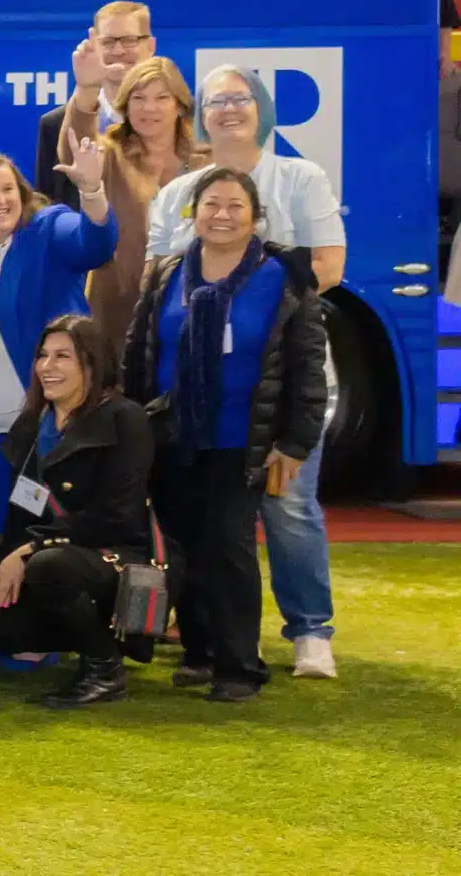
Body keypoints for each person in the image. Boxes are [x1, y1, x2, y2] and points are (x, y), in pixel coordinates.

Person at [145, 64, 346, 680]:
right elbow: (158, 283)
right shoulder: (179, 191)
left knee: (288, 510)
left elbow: (329, 266)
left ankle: (311, 631)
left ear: (261, 108)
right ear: (200, 114)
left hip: (278, 387)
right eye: (216, 101)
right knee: (205, 526)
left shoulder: (300, 177)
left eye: (240, 99)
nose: (229, 109)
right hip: (199, 402)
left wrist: (252, 289)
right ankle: (216, 641)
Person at [125, 166, 328, 702]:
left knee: (230, 546)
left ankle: (240, 667)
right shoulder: (167, 274)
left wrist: (296, 441)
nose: (222, 215)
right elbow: (138, 354)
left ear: (256, 216)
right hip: (173, 438)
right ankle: (198, 652)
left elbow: (308, 367)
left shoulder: (283, 277)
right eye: (211, 204)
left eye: (236, 205)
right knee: (184, 547)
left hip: (244, 441)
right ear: (194, 214)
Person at [0, 146, 115, 581]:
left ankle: (37, 634)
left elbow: (95, 244)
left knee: (41, 529)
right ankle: (16, 617)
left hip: (42, 423)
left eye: (7, 189)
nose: (0, 199)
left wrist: (91, 190)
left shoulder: (44, 230)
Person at [0, 316, 156, 708]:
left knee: (50, 568)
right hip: (53, 553)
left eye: (62, 356)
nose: (46, 367)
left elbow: (117, 517)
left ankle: (104, 670)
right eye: (42, 356)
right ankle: (85, 633)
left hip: (115, 554)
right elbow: (21, 512)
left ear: (91, 364)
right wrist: (4, 572)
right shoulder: (31, 424)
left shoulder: (125, 418)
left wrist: (26, 554)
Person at [66, 51, 202, 344]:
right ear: (125, 106)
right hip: (119, 312)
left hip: (196, 306)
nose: (148, 108)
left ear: (179, 106)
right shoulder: (112, 152)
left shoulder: (208, 159)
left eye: (161, 98)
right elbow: (75, 149)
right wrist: (87, 89)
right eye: (138, 98)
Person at [37, 1, 156, 207]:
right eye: (108, 42)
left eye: (129, 40)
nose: (118, 51)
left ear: (151, 47)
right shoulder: (55, 124)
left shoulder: (181, 117)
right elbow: (48, 208)